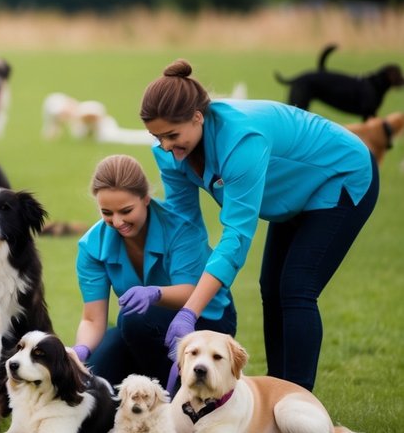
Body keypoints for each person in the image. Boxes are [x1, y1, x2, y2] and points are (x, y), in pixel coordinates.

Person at [140, 59, 378, 392]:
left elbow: (236, 237)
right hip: (293, 196)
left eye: (172, 135)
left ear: (197, 117)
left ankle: (297, 403)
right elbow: (185, 227)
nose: (166, 146)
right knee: (271, 289)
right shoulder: (169, 154)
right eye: (157, 137)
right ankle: (277, 395)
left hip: (341, 176)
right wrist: (176, 287)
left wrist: (190, 311)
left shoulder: (241, 140)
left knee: (296, 289)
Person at [72, 154, 236, 390]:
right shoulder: (91, 246)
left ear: (146, 198)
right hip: (142, 329)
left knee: (133, 317)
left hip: (207, 318)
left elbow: (191, 291)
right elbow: (92, 318)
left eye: (126, 211)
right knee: (93, 379)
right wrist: (80, 351)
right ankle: (148, 390)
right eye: (107, 213)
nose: (117, 221)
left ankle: (170, 398)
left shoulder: (181, 227)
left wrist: (154, 294)